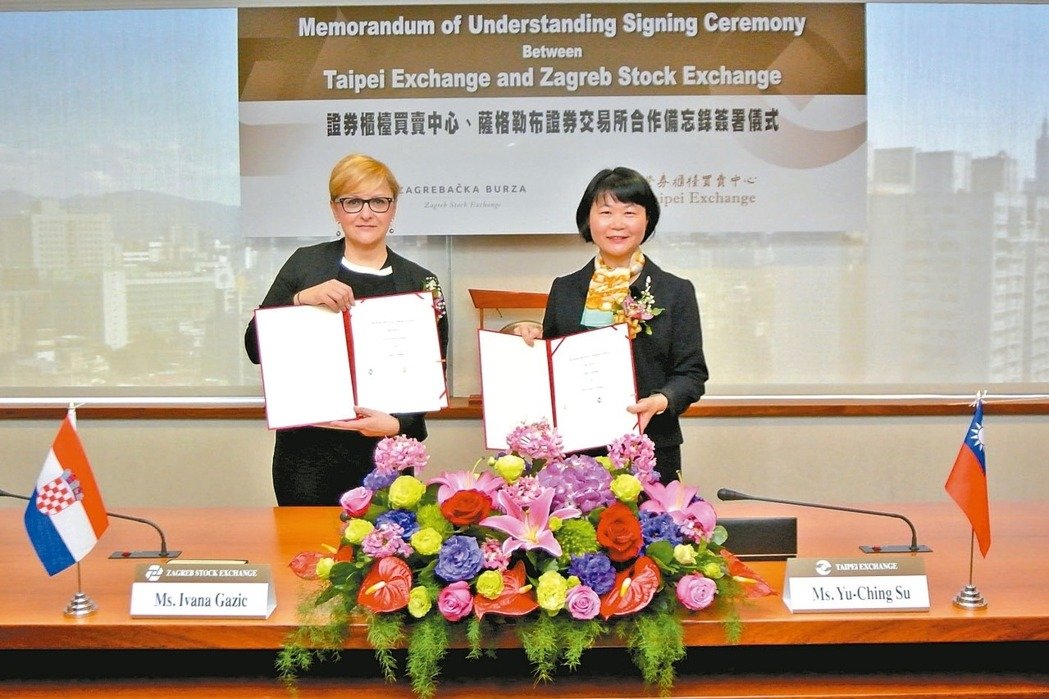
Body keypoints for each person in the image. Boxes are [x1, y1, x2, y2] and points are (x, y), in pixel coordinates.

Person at [244, 153, 449, 505]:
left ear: (393, 209)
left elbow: (432, 377)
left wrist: (398, 425)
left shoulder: (420, 283)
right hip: (307, 458)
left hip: (384, 456)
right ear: (335, 210)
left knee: (383, 555)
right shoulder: (305, 265)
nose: (366, 213)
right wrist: (299, 300)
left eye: (378, 201)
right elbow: (253, 348)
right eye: (352, 201)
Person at [520, 166, 708, 484]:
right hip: (575, 453)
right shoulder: (565, 289)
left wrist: (662, 400)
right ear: (588, 219)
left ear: (647, 220)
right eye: (606, 212)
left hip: (650, 447)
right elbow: (549, 371)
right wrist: (527, 339)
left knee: (654, 534)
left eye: (630, 212)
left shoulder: (675, 291)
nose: (617, 224)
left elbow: (691, 374)